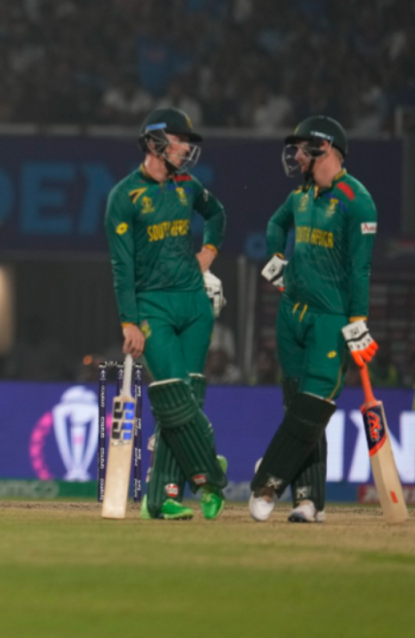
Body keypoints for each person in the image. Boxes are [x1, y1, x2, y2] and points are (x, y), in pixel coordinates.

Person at [250, 116, 378, 523]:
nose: (298, 155)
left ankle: (268, 480)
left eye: (305, 148)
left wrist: (358, 319)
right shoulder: (301, 196)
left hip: (330, 318)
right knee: (298, 406)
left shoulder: (358, 201)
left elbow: (361, 269)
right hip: (291, 315)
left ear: (327, 148)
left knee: (313, 405)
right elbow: (276, 224)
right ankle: (308, 501)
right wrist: (275, 255)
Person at [105, 107, 229, 521]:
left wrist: (208, 251)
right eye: (178, 141)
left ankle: (161, 498)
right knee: (175, 398)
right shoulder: (124, 197)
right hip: (152, 308)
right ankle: (210, 474)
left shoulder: (187, 186)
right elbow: (122, 267)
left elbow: (217, 214)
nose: (186, 148)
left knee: (188, 397)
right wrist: (128, 321)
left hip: (195, 305)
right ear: (155, 142)